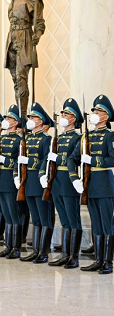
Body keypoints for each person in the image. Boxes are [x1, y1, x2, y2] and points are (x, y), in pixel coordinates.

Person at [68, 94, 114, 274]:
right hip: (90, 185)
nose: (94, 113)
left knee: (107, 224)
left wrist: (93, 160)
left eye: (98, 111)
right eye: (94, 110)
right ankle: (98, 259)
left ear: (106, 116)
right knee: (96, 223)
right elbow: (72, 158)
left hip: (105, 185)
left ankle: (108, 261)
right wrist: (74, 178)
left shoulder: (110, 136)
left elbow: (112, 159)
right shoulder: (85, 137)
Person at [47, 98, 82, 268]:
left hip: (69, 181)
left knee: (73, 220)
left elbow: (74, 159)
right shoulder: (59, 138)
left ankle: (73, 257)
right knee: (64, 221)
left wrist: (57, 158)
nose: (63, 117)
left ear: (73, 119)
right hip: (57, 182)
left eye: (66, 114)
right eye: (63, 114)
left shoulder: (78, 138)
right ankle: (65, 254)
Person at [0, 105, 23, 259]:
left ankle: (16, 248)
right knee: (6, 215)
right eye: (6, 117)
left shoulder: (20, 140)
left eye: (9, 118)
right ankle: (8, 246)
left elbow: (19, 162)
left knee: (14, 215)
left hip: (11, 181)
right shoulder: (0, 139)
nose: (6, 120)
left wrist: (4, 160)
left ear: (15, 122)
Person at [17, 102, 53, 263]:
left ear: (40, 121)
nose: (30, 120)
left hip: (40, 181)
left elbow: (46, 159)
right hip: (28, 181)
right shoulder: (27, 138)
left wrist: (32, 164)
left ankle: (43, 252)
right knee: (35, 218)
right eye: (30, 117)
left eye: (33, 117)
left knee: (45, 218)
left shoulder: (47, 139)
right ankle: (36, 251)